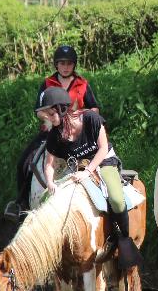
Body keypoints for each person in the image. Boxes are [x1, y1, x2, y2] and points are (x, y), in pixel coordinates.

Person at [39, 87, 142, 268]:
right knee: (47, 200)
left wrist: (88, 172)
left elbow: (102, 148)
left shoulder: (90, 119)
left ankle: (123, 239)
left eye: (49, 114)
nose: (46, 118)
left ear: (61, 108)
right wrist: (50, 182)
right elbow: (49, 164)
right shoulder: (55, 135)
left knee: (117, 200)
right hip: (77, 168)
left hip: (104, 162)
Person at [5, 45, 100, 220]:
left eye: (69, 63)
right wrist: (51, 118)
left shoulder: (83, 84)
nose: (66, 67)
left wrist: (81, 116)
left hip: (77, 133)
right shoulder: (47, 83)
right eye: (62, 63)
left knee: (100, 157)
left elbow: (94, 107)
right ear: (56, 65)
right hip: (50, 131)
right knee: (24, 162)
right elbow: (38, 110)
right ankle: (20, 204)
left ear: (74, 65)